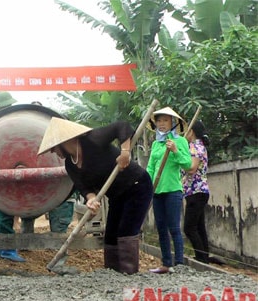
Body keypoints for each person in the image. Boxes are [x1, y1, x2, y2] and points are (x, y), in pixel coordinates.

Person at [38, 117, 153, 274]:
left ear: (64, 142)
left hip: (137, 186)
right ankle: (111, 273)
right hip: (116, 194)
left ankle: (129, 274)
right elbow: (84, 187)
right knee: (111, 235)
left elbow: (121, 125)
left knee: (126, 231)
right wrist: (91, 199)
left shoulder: (93, 140)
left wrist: (125, 153)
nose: (53, 152)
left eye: (54, 148)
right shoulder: (70, 164)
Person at [146, 107, 192, 274]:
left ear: (173, 122)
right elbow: (151, 167)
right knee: (161, 228)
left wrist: (175, 150)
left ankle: (179, 264)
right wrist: (147, 186)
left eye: (165, 120)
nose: (161, 124)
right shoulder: (156, 144)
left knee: (174, 227)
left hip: (173, 191)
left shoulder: (180, 142)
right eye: (159, 121)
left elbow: (187, 165)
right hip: (157, 192)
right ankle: (166, 263)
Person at [21, 100, 75, 234]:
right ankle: (26, 247)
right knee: (26, 224)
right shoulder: (19, 136)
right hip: (31, 191)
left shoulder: (61, 129)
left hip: (60, 188)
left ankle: (60, 253)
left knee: (59, 231)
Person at [0, 91, 25, 262]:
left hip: (3, 171)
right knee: (5, 210)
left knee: (3, 208)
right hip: (0, 171)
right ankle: (8, 249)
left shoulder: (10, 123)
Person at [182, 120, 210, 263]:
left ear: (191, 132)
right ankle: (204, 258)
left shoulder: (194, 147)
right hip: (199, 191)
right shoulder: (199, 146)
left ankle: (201, 259)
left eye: (186, 130)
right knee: (199, 226)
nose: (184, 133)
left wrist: (179, 159)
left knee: (189, 228)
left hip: (196, 191)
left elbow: (192, 168)